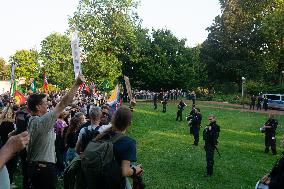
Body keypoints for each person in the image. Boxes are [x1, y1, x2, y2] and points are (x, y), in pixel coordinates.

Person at [26, 74, 84, 189]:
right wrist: (77, 84)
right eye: (45, 102)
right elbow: (63, 104)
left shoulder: (33, 120)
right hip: (43, 170)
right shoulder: (41, 122)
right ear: (38, 107)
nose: (48, 104)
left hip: (38, 168)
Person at [92, 106, 143, 188]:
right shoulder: (129, 143)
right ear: (129, 124)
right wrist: (136, 170)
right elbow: (125, 171)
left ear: (113, 119)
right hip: (111, 182)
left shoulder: (100, 134)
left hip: (94, 180)